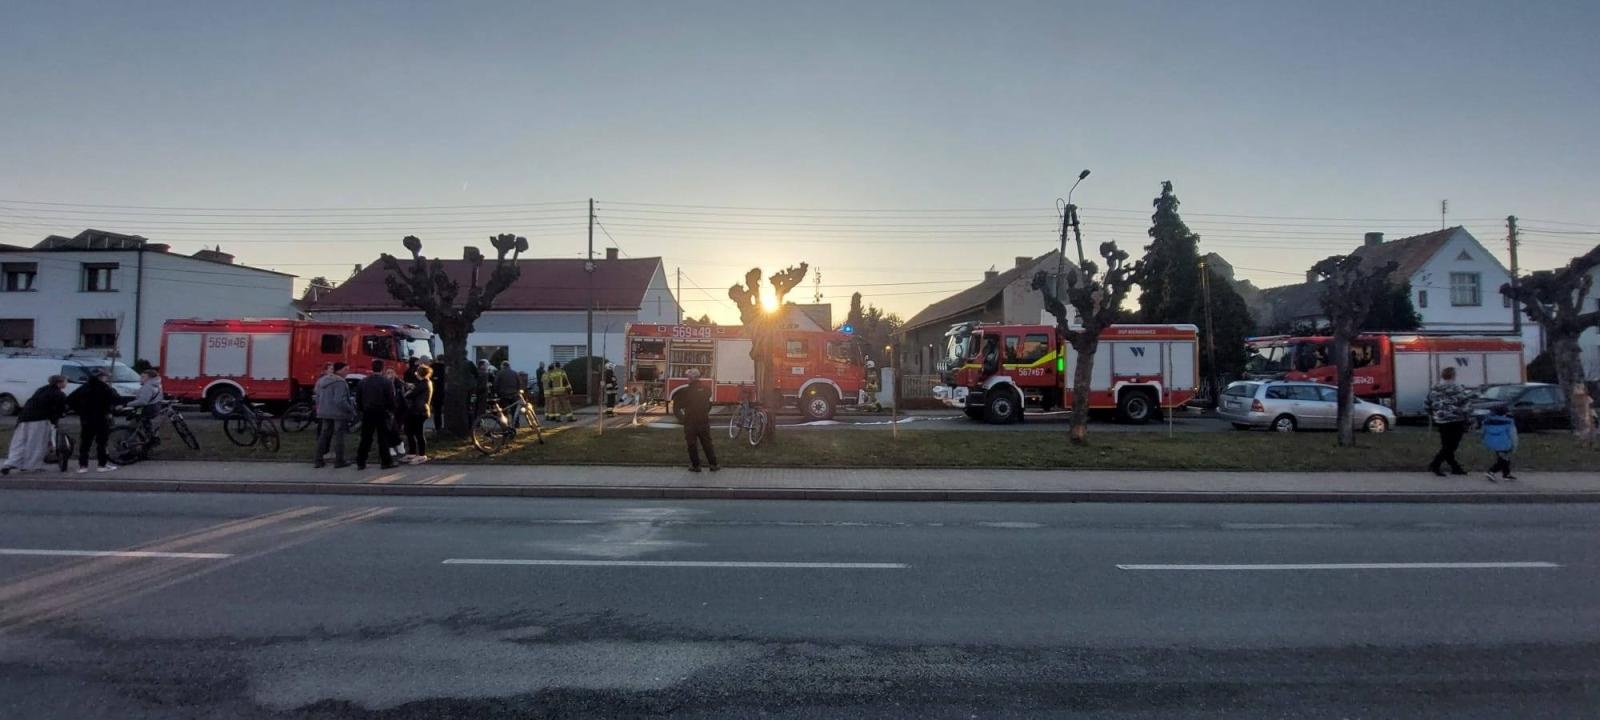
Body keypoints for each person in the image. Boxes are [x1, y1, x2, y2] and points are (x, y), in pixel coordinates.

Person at [2, 375, 69, 475]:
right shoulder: (58, 394)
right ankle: (31, 465)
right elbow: (60, 410)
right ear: (59, 383)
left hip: (24, 417)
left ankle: (11, 462)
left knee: (20, 441)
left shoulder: (41, 389)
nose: (66, 383)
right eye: (65, 381)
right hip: (39, 419)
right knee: (36, 443)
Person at [67, 369, 122, 473]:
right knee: (102, 443)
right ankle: (102, 464)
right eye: (106, 376)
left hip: (86, 419)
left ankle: (83, 466)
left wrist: (80, 411)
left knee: (85, 443)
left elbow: (70, 400)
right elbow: (116, 400)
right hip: (102, 418)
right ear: (102, 377)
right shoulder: (105, 388)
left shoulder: (84, 387)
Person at [1423, 366, 1473, 477]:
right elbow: (1466, 404)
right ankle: (1435, 464)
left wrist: (1434, 414)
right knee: (1452, 445)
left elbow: (1426, 403)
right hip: (1455, 419)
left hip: (1441, 420)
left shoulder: (1435, 388)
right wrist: (1468, 419)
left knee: (1446, 444)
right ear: (1453, 375)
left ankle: (1455, 467)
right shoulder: (1458, 388)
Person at [354, 360, 397, 470]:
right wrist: (391, 410)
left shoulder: (363, 382)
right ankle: (386, 461)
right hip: (381, 411)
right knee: (382, 438)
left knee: (366, 437)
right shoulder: (386, 382)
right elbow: (391, 399)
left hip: (368, 411)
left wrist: (361, 409)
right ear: (382, 369)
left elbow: (358, 398)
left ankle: (361, 461)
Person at [674, 368, 718, 472]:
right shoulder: (707, 390)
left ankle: (696, 466)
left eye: (688, 377)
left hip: (690, 422)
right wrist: (704, 412)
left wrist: (683, 419)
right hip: (703, 421)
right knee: (707, 443)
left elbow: (677, 407)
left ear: (692, 378)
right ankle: (713, 465)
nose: (686, 379)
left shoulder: (685, 391)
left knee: (692, 444)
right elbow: (709, 404)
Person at [314, 362, 353, 468]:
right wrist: (350, 410)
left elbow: (317, 394)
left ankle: (318, 459)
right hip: (337, 413)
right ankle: (339, 460)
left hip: (324, 411)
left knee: (324, 435)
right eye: (346, 369)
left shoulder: (323, 380)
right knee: (339, 436)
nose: (347, 372)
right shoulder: (340, 382)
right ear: (339, 370)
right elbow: (340, 400)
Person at [1480, 406, 1518, 482]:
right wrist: (1514, 445)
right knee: (1504, 459)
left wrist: (1484, 441)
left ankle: (1506, 474)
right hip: (1504, 443)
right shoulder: (1509, 421)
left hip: (1491, 442)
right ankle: (1491, 471)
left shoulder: (1487, 421)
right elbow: (1513, 435)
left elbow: (1482, 432)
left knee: (1503, 457)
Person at [405, 364, 433, 464]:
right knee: (410, 431)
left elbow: (411, 395)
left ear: (420, 373)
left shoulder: (423, 384)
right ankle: (412, 452)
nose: (416, 373)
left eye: (417, 371)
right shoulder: (425, 382)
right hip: (418, 410)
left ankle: (421, 454)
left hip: (419, 411)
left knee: (418, 433)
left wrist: (408, 391)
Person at [384, 367, 410, 462]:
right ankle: (392, 445)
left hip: (400, 409)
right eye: (388, 372)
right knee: (390, 429)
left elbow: (405, 392)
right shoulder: (384, 384)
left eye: (391, 372)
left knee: (396, 428)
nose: (390, 374)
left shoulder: (399, 383)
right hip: (389, 410)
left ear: (395, 374)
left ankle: (397, 444)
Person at [426, 358, 447, 433]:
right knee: (446, 410)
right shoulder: (445, 368)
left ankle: (438, 427)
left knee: (437, 411)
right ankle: (444, 427)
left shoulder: (431, 367)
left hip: (434, 392)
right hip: (444, 392)